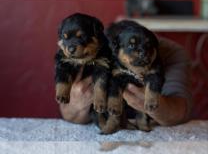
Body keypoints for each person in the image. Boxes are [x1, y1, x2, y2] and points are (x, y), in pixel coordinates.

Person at [59, 38, 192, 126]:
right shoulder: (86, 51)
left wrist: (153, 105)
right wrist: (74, 107)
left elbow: (180, 111)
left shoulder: (171, 53)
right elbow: (68, 113)